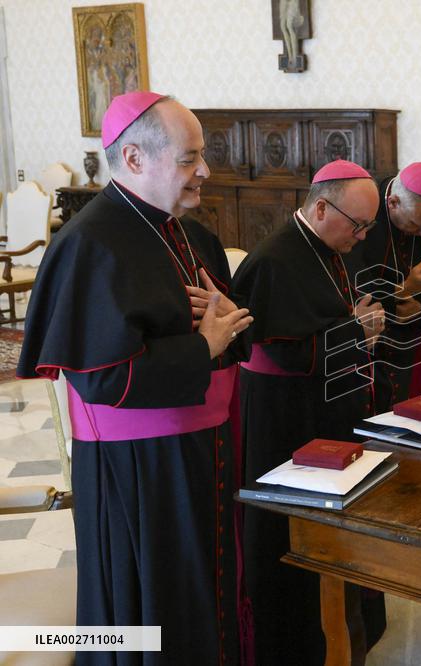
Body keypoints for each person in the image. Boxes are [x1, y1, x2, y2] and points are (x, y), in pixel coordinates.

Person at [17, 91, 254, 665]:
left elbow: (230, 333)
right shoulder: (89, 245)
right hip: (141, 470)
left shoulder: (190, 234)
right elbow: (103, 380)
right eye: (189, 158)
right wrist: (202, 346)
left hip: (205, 450)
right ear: (135, 159)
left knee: (209, 586)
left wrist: (227, 324)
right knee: (158, 605)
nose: (205, 171)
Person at [231, 159, 385, 665]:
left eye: (367, 226)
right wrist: (355, 331)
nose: (362, 237)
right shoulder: (274, 259)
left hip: (319, 411)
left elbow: (321, 316)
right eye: (357, 225)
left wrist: (356, 321)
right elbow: (276, 350)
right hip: (283, 422)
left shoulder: (324, 248)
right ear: (321, 207)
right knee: (284, 548)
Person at [356, 161, 421, 414]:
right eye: (416, 224)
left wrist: (420, 306)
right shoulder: (365, 212)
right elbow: (351, 286)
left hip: (410, 342)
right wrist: (405, 290)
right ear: (393, 203)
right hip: (365, 348)